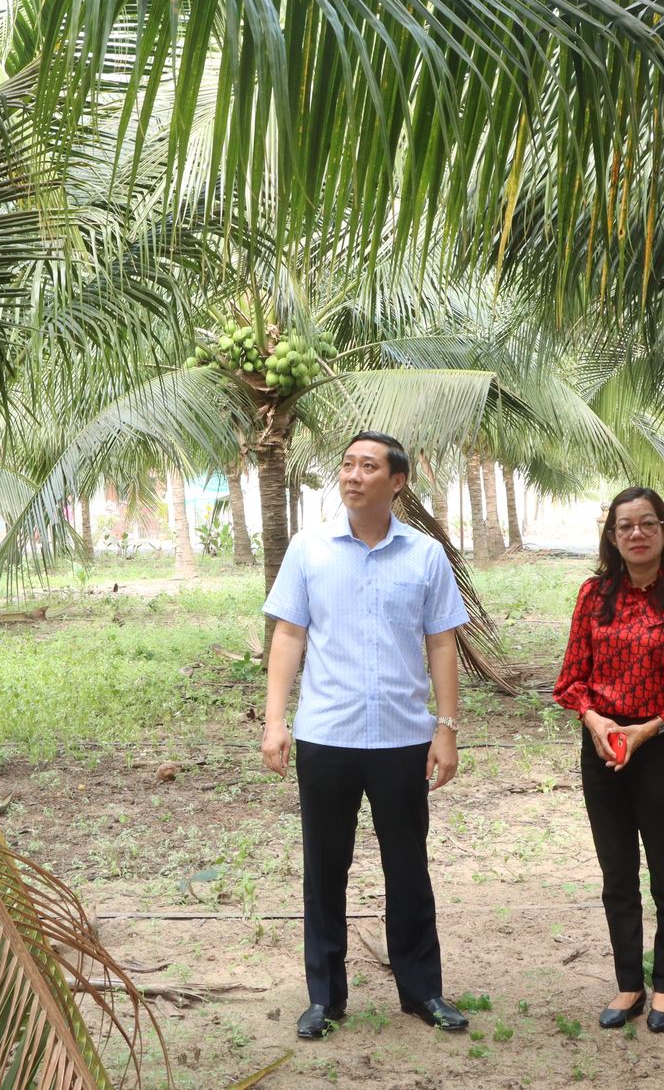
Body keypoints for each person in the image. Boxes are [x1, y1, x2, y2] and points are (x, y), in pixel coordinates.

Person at [260, 431, 472, 1041]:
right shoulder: (309, 548)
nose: (353, 475)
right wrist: (275, 722)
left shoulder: (425, 556)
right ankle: (325, 998)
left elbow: (441, 642)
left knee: (408, 868)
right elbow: (289, 635)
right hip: (327, 735)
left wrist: (446, 728)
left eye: (369, 466)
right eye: (348, 465)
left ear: (397, 481)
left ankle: (422, 991)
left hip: (403, 738)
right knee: (325, 869)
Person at [554, 486, 664, 1035]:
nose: (637, 534)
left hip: (660, 746)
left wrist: (647, 729)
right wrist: (596, 722)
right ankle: (629, 983)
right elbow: (572, 677)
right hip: (603, 746)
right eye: (625, 526)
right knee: (617, 872)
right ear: (612, 536)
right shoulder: (593, 595)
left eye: (648, 523)